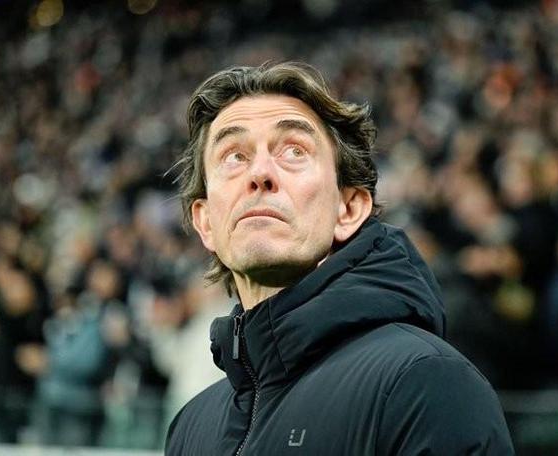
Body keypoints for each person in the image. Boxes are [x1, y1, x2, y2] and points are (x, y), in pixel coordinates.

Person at [165, 62, 514, 455]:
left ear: (348, 209)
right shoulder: (191, 427)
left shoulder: (424, 383)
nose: (260, 172)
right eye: (233, 156)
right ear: (205, 222)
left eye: (294, 150)